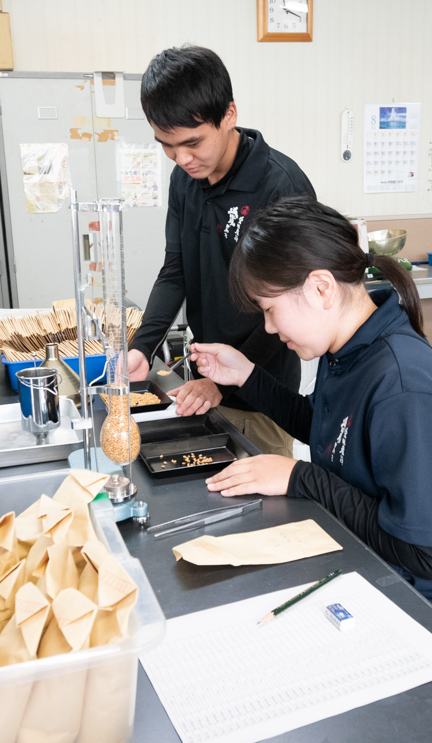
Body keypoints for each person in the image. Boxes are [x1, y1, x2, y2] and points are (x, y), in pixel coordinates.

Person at [190, 198, 432, 653]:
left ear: (321, 289)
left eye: (269, 309)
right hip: (377, 568)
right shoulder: (351, 349)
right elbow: (329, 431)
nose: (269, 327)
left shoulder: (402, 387)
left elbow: (423, 553)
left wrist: (300, 477)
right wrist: (246, 376)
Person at [127, 45, 316, 457]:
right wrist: (142, 347)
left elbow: (292, 306)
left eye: (192, 142)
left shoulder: (281, 187)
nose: (181, 158)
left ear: (229, 115)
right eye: (166, 145)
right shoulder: (185, 180)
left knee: (267, 503)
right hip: (205, 379)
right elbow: (175, 270)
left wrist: (225, 381)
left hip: (263, 387)